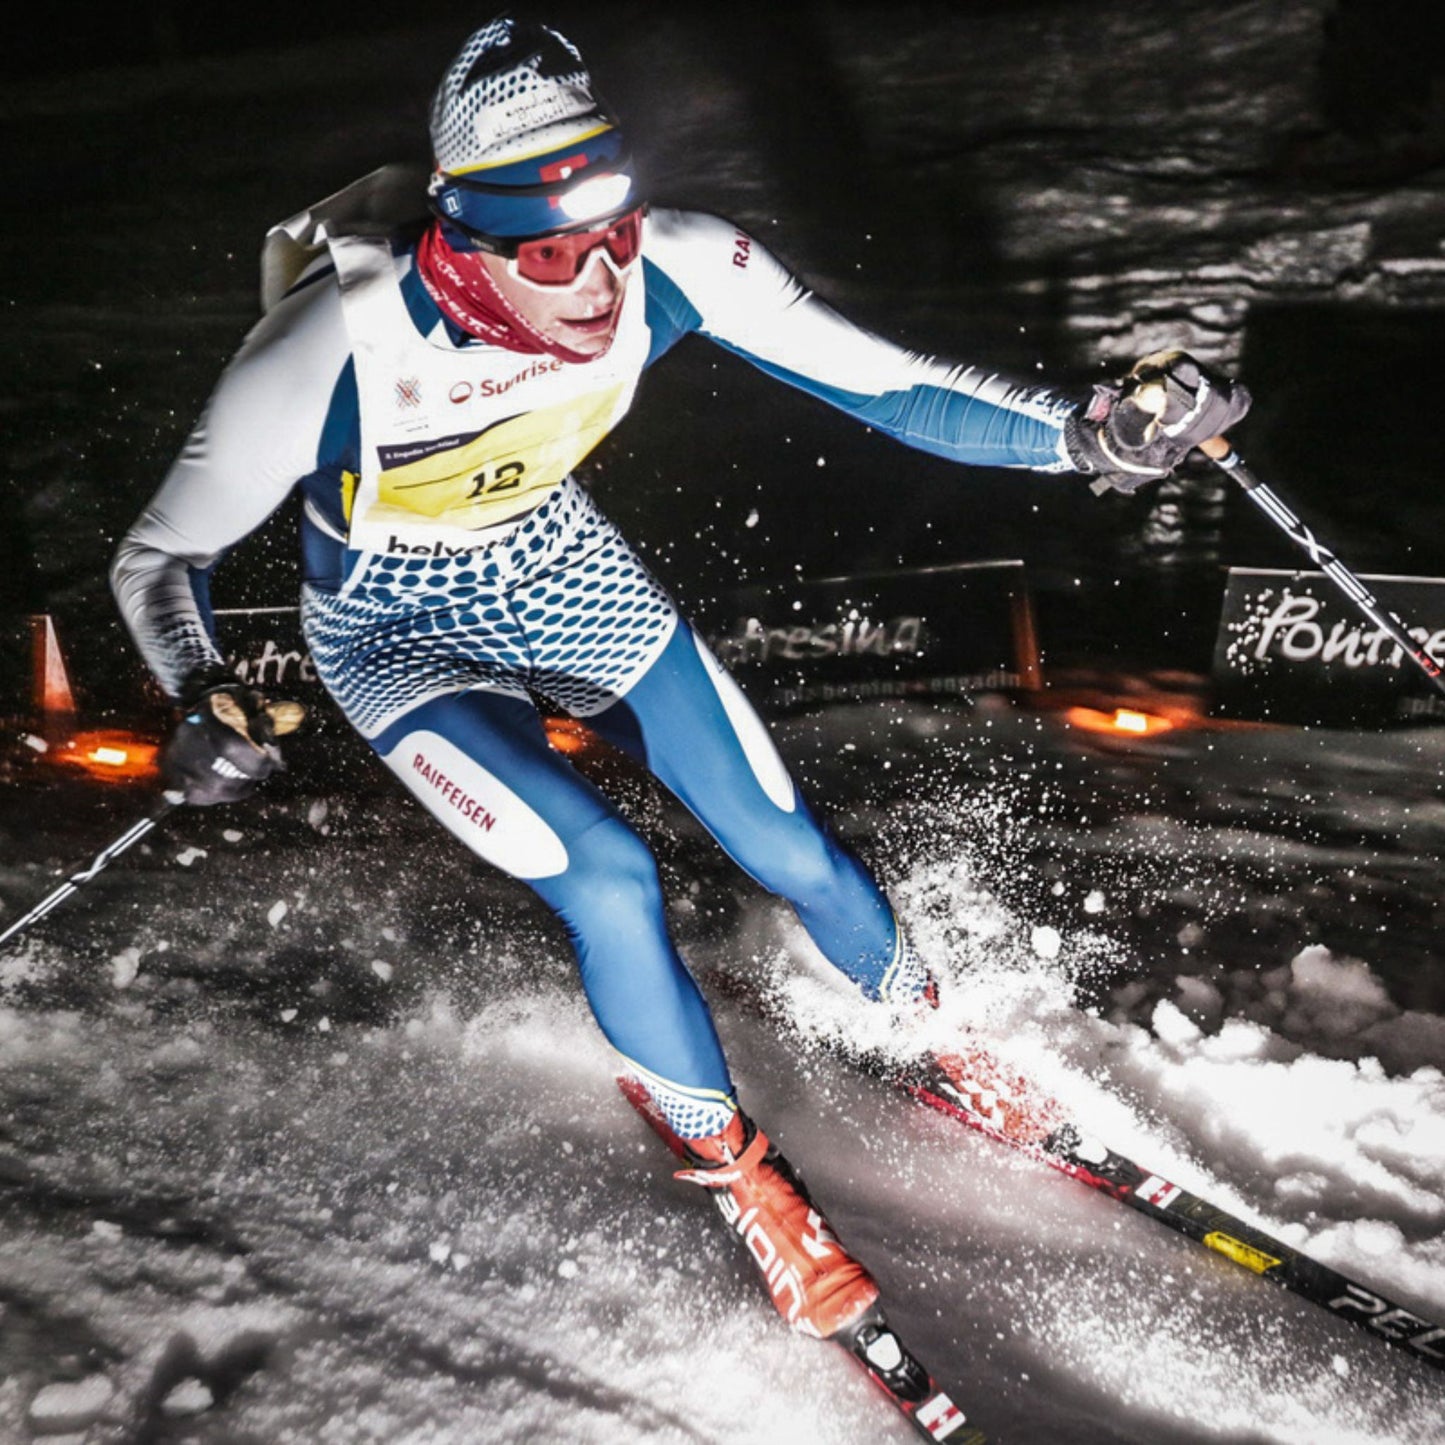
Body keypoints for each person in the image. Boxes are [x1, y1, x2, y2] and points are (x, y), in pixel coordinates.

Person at [110, 14, 1249, 1343]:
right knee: (607, 873)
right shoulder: (327, 349)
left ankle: (947, 1045)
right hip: (389, 627)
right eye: (553, 250)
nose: (599, 280)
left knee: (784, 840)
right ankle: (740, 1175)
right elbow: (159, 555)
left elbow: (893, 390)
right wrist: (196, 690)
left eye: (612, 230)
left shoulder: (675, 260)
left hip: (557, 567)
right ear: (462, 238)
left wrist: (1090, 436)